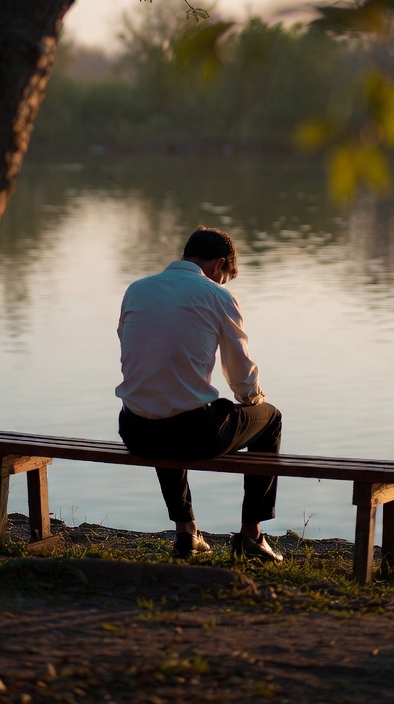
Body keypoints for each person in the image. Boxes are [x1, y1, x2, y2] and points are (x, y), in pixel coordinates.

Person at [116, 226, 283, 562]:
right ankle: (252, 535)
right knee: (270, 419)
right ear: (219, 265)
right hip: (192, 435)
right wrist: (253, 400)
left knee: (166, 404)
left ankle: (186, 532)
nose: (222, 283)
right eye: (225, 276)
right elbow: (240, 369)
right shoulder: (217, 295)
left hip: (135, 430)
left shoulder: (136, 290)